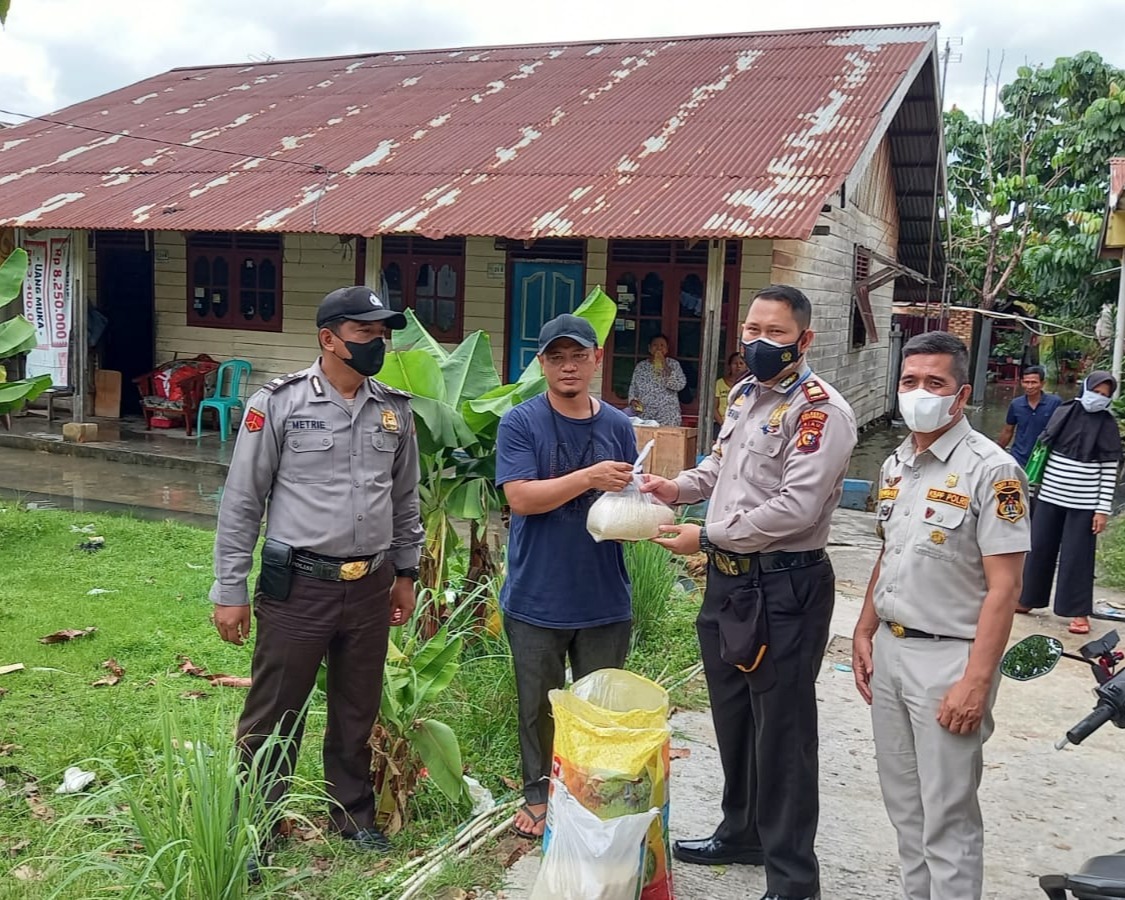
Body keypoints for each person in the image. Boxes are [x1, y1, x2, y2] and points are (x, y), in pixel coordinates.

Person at [643, 284, 857, 900]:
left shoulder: (820, 413)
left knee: (783, 734)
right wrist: (676, 487)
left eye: (776, 333)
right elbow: (720, 468)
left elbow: (796, 508)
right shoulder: (743, 395)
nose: (760, 342)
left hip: (785, 585)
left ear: (804, 339)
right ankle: (741, 832)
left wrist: (706, 537)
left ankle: (793, 880)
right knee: (734, 717)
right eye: (752, 330)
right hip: (730, 584)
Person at [210, 285, 423, 863]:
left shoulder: (395, 410)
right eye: (364, 332)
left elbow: (404, 499)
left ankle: (352, 815)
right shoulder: (278, 404)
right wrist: (230, 589)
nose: (377, 342)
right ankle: (255, 825)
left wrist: (406, 573)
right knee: (276, 710)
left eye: (382, 333)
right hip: (299, 585)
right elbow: (242, 502)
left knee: (357, 708)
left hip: (371, 584)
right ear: (329, 338)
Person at [851, 331, 1030, 900]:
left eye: (935, 382)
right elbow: (890, 551)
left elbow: (1005, 588)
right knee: (905, 808)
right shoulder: (896, 464)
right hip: (892, 651)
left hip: (950, 660)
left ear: (961, 395)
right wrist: (864, 628)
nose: (920, 393)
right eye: (910, 381)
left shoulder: (993, 471)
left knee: (947, 816)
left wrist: (976, 681)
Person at [495, 313, 639, 839]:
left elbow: (629, 498)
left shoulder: (619, 426)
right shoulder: (520, 422)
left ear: (597, 359)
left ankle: (590, 794)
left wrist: (644, 516)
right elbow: (521, 498)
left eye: (579, 356)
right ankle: (538, 794)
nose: (569, 367)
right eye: (556, 358)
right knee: (538, 704)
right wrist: (588, 478)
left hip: (603, 595)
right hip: (538, 593)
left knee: (600, 706)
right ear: (542, 364)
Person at [1017, 371, 1122, 634]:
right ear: (1084, 388)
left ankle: (1078, 612)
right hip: (1049, 496)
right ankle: (1028, 598)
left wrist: (1102, 510)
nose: (1097, 398)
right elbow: (1044, 450)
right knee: (1038, 548)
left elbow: (1109, 471)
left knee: (1077, 557)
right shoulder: (1063, 412)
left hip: (1084, 504)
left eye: (1104, 395)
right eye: (1094, 391)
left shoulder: (1108, 426)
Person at [996, 365, 1061, 466]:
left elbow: (1062, 430)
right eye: (1026, 382)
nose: (1029, 386)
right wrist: (996, 452)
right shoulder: (1016, 404)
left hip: (1043, 457)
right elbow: (1008, 431)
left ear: (1042, 383)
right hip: (1019, 457)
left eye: (1034, 382)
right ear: (1021, 383)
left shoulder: (1055, 403)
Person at [628, 334, 686, 426]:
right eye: (655, 345)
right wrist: (632, 401)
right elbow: (633, 387)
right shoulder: (641, 366)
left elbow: (679, 385)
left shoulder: (673, 364)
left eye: (662, 345)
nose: (659, 348)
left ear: (667, 349)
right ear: (649, 348)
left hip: (667, 414)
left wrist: (664, 365)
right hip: (645, 413)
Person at [714, 351, 749, 438]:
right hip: (721, 424)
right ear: (729, 366)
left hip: (741, 426)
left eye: (741, 363)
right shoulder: (719, 383)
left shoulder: (749, 384)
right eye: (735, 363)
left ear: (746, 366)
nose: (738, 366)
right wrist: (723, 424)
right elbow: (714, 408)